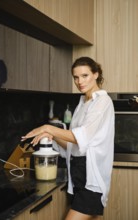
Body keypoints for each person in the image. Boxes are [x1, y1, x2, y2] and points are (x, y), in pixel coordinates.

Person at [21, 57, 115, 220]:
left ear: (95, 74)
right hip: (78, 173)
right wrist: (54, 136)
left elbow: (81, 137)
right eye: (76, 77)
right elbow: (74, 145)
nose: (79, 81)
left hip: (91, 176)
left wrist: (48, 127)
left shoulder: (102, 101)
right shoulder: (82, 102)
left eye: (85, 76)